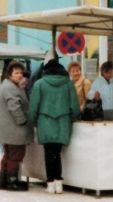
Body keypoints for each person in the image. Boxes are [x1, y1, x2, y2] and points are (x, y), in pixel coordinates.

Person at [28, 58, 81, 194]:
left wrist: (33, 120)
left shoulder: (39, 84)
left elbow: (34, 105)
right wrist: (72, 118)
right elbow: (74, 106)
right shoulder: (68, 84)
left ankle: (50, 182)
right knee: (57, 152)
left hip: (45, 122)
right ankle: (59, 182)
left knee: (48, 152)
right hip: (63, 122)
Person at [0, 61, 32, 191]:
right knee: (16, 155)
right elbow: (14, 106)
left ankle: (4, 180)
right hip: (15, 128)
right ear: (9, 74)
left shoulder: (9, 85)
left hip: (8, 128)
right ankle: (12, 181)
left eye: (21, 73)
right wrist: (22, 121)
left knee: (8, 155)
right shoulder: (10, 88)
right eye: (16, 73)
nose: (19, 75)